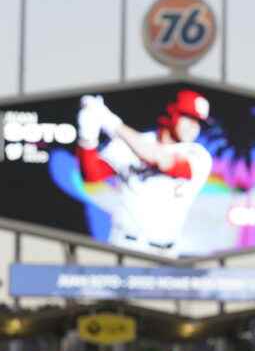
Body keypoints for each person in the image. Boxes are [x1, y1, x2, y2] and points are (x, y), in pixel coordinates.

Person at [76, 90, 213, 257]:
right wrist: (87, 135)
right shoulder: (134, 142)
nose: (194, 126)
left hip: (167, 253)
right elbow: (91, 174)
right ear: (172, 113)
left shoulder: (198, 155)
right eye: (188, 117)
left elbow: (161, 160)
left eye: (198, 122)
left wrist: (111, 122)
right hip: (126, 247)